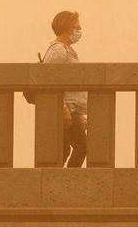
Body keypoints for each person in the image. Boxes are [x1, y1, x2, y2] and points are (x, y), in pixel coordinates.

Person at [41, 10, 87, 168]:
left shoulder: (66, 50)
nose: (80, 31)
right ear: (68, 28)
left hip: (73, 110)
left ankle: (54, 183)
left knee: (63, 150)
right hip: (67, 109)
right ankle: (69, 183)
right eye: (77, 27)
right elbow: (49, 82)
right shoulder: (58, 51)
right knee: (82, 147)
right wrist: (62, 108)